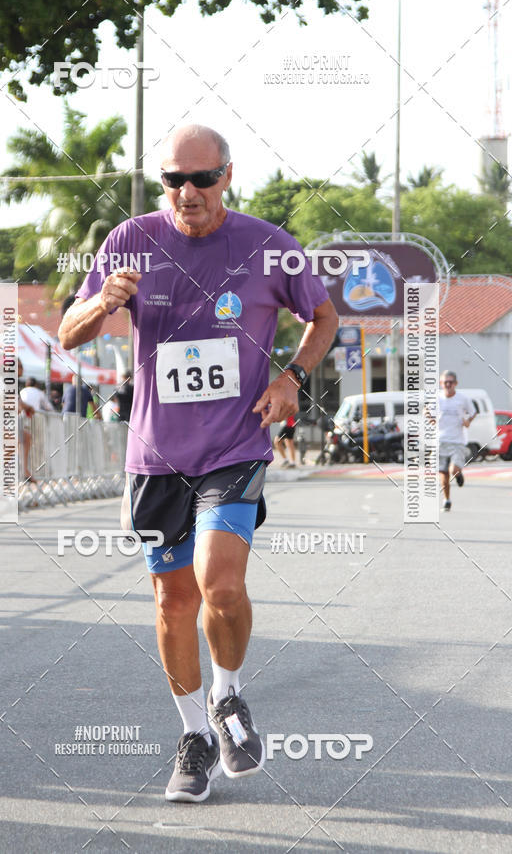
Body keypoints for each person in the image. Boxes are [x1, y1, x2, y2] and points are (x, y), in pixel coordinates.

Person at [58, 124, 338, 803]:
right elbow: (68, 334)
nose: (186, 192)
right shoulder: (129, 240)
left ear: (227, 176)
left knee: (219, 584)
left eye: (201, 179)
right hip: (155, 454)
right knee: (172, 600)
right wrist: (103, 302)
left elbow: (324, 318)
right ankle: (193, 737)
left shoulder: (271, 247)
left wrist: (290, 378)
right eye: (172, 180)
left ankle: (228, 692)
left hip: (234, 444)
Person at [436, 370, 476, 512]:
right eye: (445, 382)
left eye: (450, 382)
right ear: (441, 384)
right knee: (443, 474)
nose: (448, 384)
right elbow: (426, 411)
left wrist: (468, 421)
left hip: (457, 441)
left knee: (453, 470)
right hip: (440, 441)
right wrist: (429, 417)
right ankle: (446, 500)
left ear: (455, 383)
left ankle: (458, 474)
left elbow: (473, 411)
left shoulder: (462, 399)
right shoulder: (437, 398)